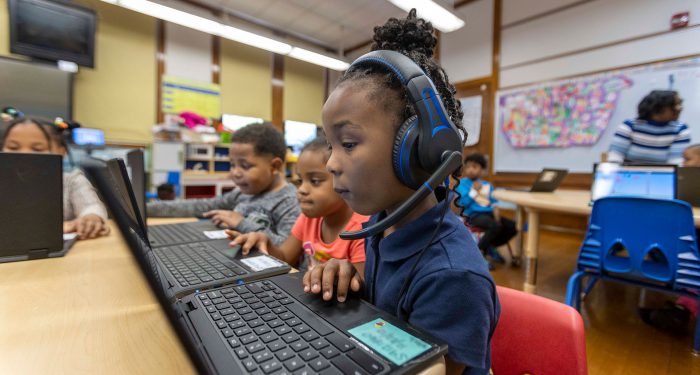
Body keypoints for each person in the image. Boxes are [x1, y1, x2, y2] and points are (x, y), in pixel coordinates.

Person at [302, 10, 499, 374]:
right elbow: (389, 313)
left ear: (418, 148)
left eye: (346, 143)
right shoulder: (383, 225)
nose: (330, 163)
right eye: (331, 146)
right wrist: (351, 277)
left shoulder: (452, 278)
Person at [226, 137, 368, 272]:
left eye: (315, 181)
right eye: (301, 181)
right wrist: (265, 243)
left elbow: (364, 289)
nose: (301, 189)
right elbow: (286, 258)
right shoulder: (309, 218)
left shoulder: (362, 229)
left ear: (348, 179)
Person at [147, 123, 300, 245]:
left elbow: (285, 248)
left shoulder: (291, 203)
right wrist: (144, 208)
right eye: (232, 165)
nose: (235, 173)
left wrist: (241, 223)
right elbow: (200, 206)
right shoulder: (241, 194)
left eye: (245, 166)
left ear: (275, 166)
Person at [1, 117, 110, 239]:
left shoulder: (71, 180)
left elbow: (92, 206)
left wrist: (91, 217)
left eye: (38, 149)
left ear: (61, 152)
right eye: (13, 147)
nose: (23, 155)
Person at [455, 153, 517, 262]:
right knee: (495, 226)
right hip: (473, 215)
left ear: (482, 169)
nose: (470, 170)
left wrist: (496, 211)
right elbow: (463, 203)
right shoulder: (462, 184)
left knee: (513, 227)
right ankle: (479, 251)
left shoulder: (487, 184)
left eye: (474, 167)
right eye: (468, 166)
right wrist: (474, 191)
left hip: (489, 214)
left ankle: (489, 246)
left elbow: (493, 201)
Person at [608, 90, 689, 164]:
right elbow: (615, 157)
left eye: (680, 104)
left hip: (663, 176)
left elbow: (676, 162)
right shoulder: (630, 126)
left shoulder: (681, 129)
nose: (680, 108)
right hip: (629, 175)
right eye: (676, 105)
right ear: (658, 107)